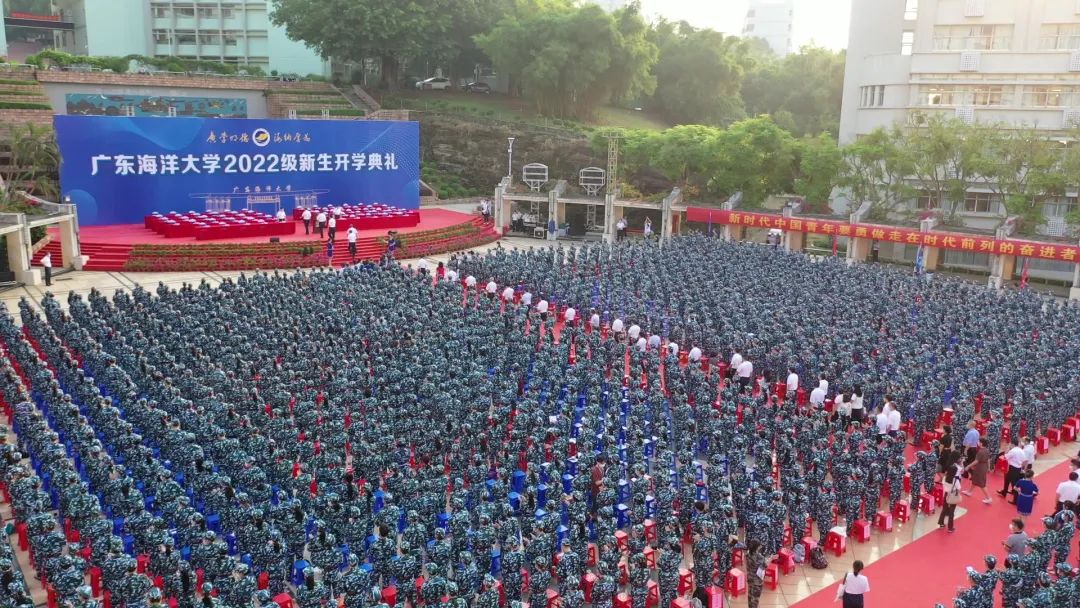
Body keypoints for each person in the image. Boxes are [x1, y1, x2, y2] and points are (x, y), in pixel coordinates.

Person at [963, 437, 992, 504]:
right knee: (975, 480)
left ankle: (989, 498)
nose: (977, 442)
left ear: (981, 443)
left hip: (980, 468)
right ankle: (969, 492)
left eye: (978, 441)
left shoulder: (980, 451)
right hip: (983, 467)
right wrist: (989, 468)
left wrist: (968, 466)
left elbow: (976, 461)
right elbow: (988, 460)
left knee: (982, 484)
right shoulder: (987, 450)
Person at [744, 539, 773, 608]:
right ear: (757, 547)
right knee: (755, 599)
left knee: (750, 596)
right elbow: (765, 565)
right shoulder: (759, 557)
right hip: (757, 581)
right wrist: (771, 558)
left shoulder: (748, 554)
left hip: (750, 578)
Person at [938, 457, 962, 532]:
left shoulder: (945, 478)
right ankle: (950, 528)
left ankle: (941, 523)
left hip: (946, 494)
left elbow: (943, 484)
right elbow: (959, 488)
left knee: (944, 509)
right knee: (952, 512)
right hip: (953, 495)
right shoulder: (955, 480)